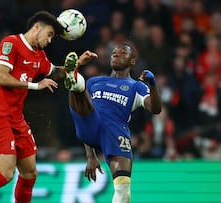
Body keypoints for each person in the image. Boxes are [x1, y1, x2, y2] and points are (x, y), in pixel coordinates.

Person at [0, 11, 97, 203]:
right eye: (49, 34)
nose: (50, 40)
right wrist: (35, 85)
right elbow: (0, 77)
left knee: (30, 172)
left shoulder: (39, 56)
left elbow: (55, 72)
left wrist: (78, 64)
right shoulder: (11, 43)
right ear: (37, 27)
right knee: (6, 173)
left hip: (17, 119)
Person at [63, 41, 162, 203]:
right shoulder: (94, 82)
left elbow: (155, 109)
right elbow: (86, 116)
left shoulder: (136, 86)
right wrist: (90, 156)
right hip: (90, 123)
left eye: (122, 52)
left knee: (123, 190)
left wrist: (152, 85)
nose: (116, 54)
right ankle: (74, 79)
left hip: (115, 132)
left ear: (132, 61)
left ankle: (75, 81)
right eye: (114, 52)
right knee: (84, 100)